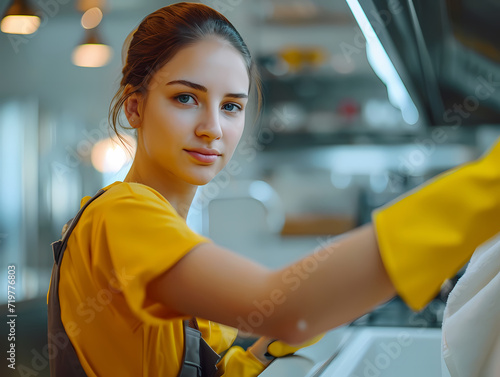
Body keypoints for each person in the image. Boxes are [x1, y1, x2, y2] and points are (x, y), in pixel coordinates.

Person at [46, 2, 500, 376]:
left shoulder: (158, 224)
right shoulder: (124, 213)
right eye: (186, 98)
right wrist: (488, 186)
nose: (212, 128)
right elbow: (282, 307)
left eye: (230, 107)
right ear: (135, 107)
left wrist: (249, 360)